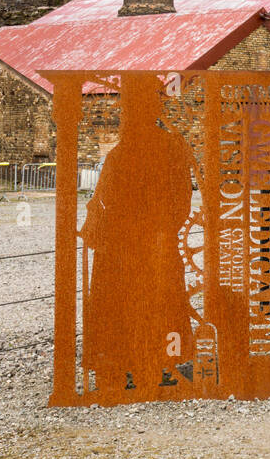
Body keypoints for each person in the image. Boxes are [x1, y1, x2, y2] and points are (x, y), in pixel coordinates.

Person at [81, 75, 196, 394]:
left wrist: (153, 230)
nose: (126, 114)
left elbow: (178, 200)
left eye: (131, 107)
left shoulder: (144, 151)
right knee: (146, 304)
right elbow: (180, 200)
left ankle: (145, 364)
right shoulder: (130, 153)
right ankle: (146, 363)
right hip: (141, 243)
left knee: (145, 304)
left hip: (138, 243)